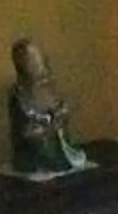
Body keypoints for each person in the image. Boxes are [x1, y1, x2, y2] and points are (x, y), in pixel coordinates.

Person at [6, 35, 90, 176]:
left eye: (39, 58)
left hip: (56, 147)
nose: (38, 63)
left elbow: (60, 111)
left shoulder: (48, 88)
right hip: (33, 153)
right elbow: (25, 131)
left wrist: (61, 114)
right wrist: (44, 128)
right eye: (32, 60)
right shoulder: (18, 96)